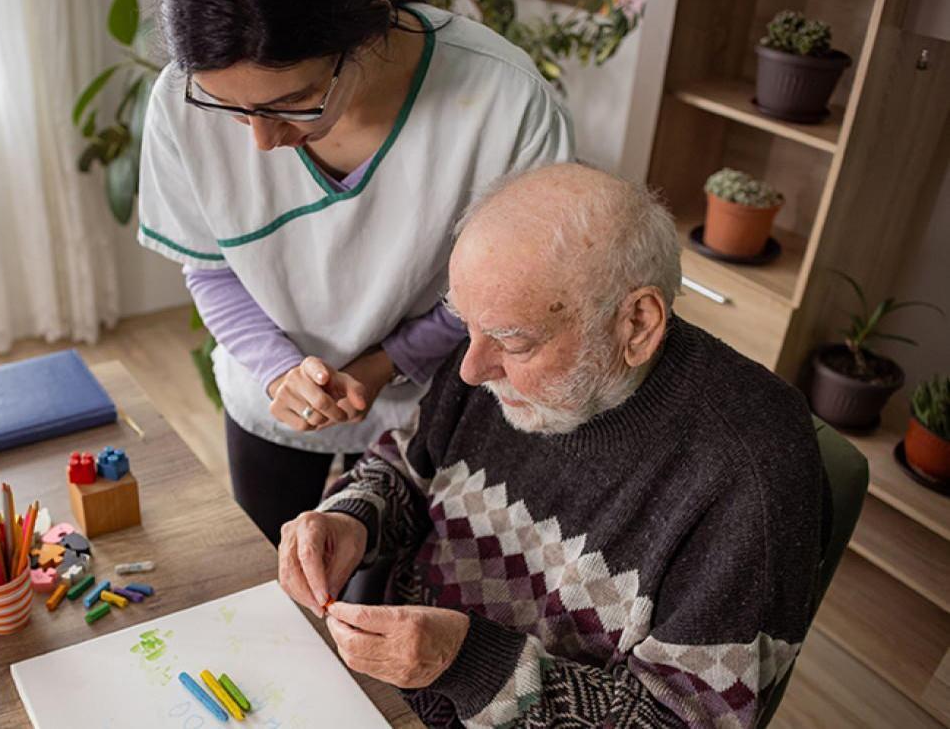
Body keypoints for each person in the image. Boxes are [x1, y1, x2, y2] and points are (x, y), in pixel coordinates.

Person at [277, 164, 828, 727]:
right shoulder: (496, 348)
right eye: (466, 325)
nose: (470, 370)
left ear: (637, 323)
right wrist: (354, 519)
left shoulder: (752, 475)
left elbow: (683, 722)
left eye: (514, 342)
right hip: (384, 688)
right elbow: (410, 465)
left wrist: (464, 663)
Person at [137, 0, 574, 545]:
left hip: (431, 403)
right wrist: (278, 370)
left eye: (294, 101)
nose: (261, 141)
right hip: (272, 395)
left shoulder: (503, 99)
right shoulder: (180, 102)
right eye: (229, 109)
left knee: (396, 590)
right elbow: (211, 269)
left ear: (368, 28)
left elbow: (508, 287)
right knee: (277, 572)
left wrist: (388, 362)